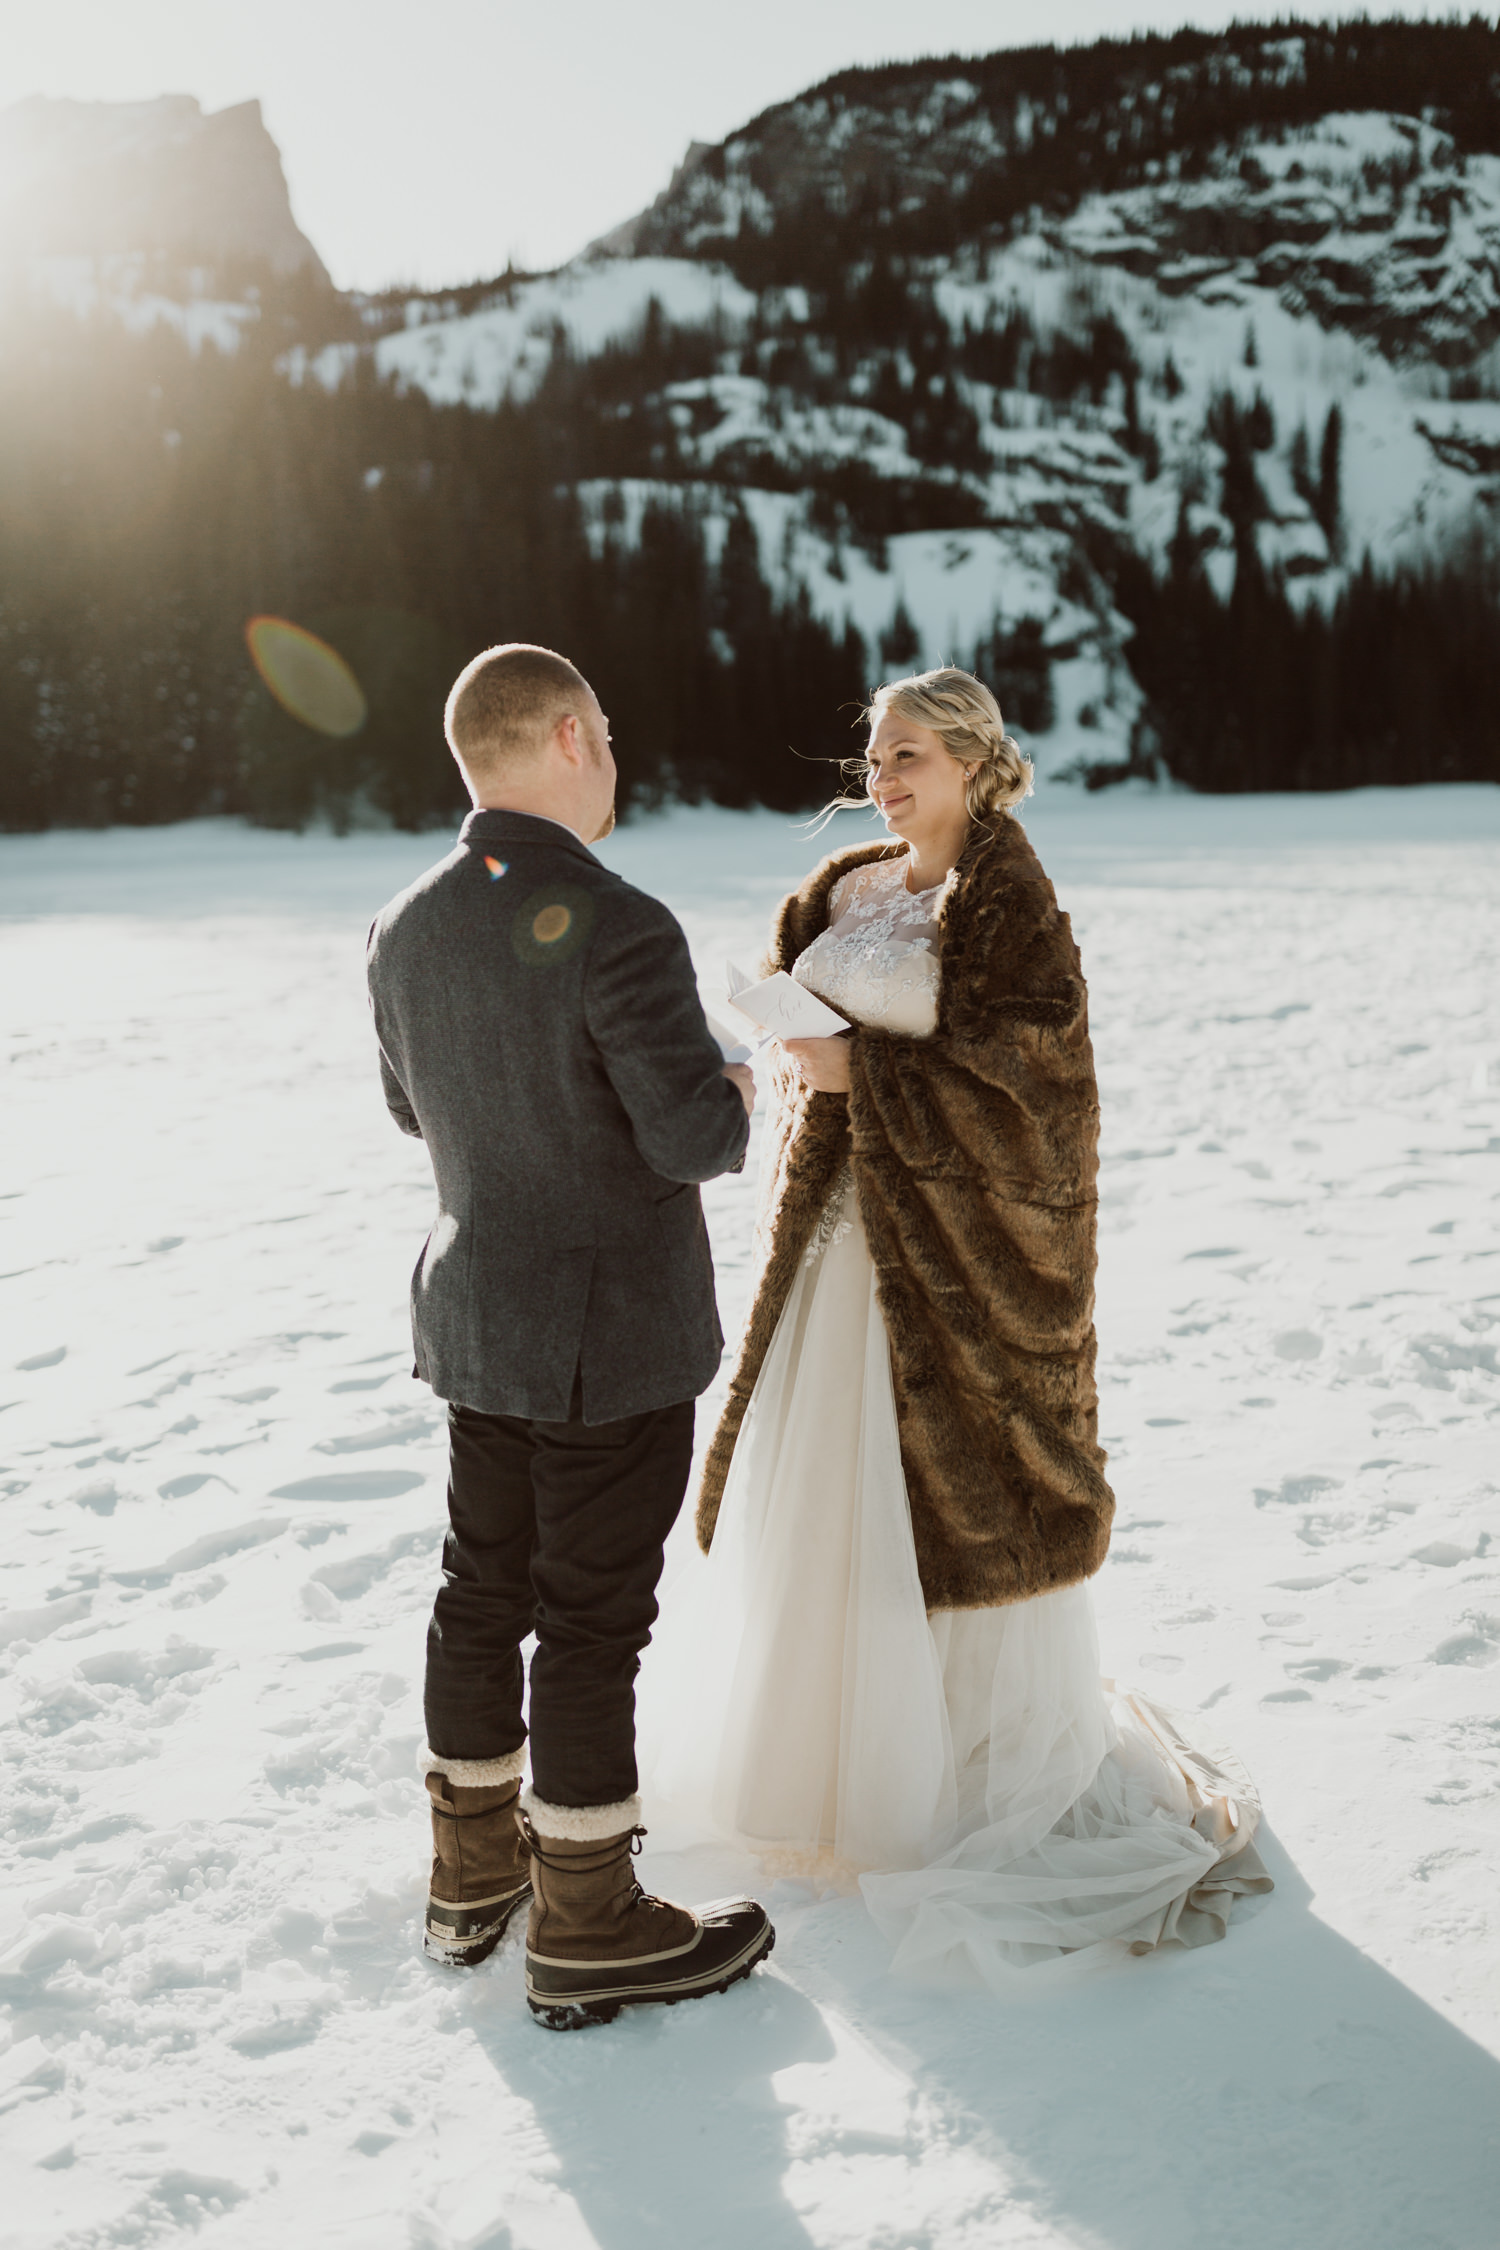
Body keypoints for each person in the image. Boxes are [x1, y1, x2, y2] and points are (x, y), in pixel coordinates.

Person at [641, 665, 1271, 1987]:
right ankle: (823, 1769)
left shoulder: (1013, 908)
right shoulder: (851, 886)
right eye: (874, 757)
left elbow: (1034, 1093)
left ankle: (944, 1770)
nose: (883, 778)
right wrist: (787, 1040)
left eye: (910, 755)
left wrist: (862, 1069)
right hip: (837, 1249)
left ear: (979, 763)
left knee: (935, 1504)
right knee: (828, 1506)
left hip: (949, 1274)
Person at [365, 642, 774, 2029]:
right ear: (561, 736)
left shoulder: (401, 923)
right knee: (591, 1623)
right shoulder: (621, 921)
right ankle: (592, 1919)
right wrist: (734, 1076)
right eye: (604, 728)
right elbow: (692, 1137)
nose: (617, 754)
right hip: (611, 1335)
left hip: (479, 1314)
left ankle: (472, 1878)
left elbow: (418, 1116)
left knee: (482, 1587)